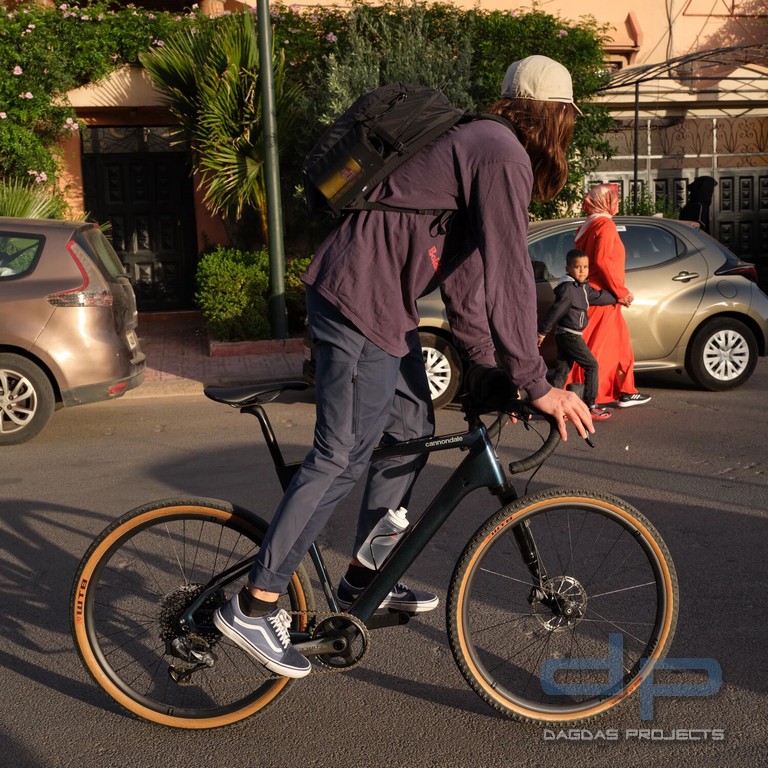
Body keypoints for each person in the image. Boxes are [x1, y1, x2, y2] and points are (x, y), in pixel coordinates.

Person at [214, 55, 594, 679]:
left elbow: (471, 283)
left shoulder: (481, 142)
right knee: (341, 454)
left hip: (383, 309)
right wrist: (534, 383)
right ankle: (255, 602)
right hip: (356, 300)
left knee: (410, 435)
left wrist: (482, 367)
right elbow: (507, 276)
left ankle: (369, 577)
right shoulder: (499, 151)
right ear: (555, 117)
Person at [567, 183, 651, 407]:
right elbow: (603, 261)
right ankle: (586, 395)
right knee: (602, 348)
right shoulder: (605, 226)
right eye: (615, 197)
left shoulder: (588, 225)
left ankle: (623, 390)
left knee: (609, 346)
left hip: (594, 294)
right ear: (605, 202)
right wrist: (620, 292)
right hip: (604, 297)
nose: (618, 201)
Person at [538, 248, 624, 420]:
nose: (582, 271)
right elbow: (555, 311)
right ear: (568, 269)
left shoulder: (583, 288)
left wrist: (619, 297)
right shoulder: (569, 289)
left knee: (562, 370)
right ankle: (591, 405)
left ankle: (552, 407)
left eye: (585, 267)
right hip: (570, 335)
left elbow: (598, 296)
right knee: (592, 365)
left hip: (566, 334)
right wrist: (542, 332)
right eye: (578, 267)